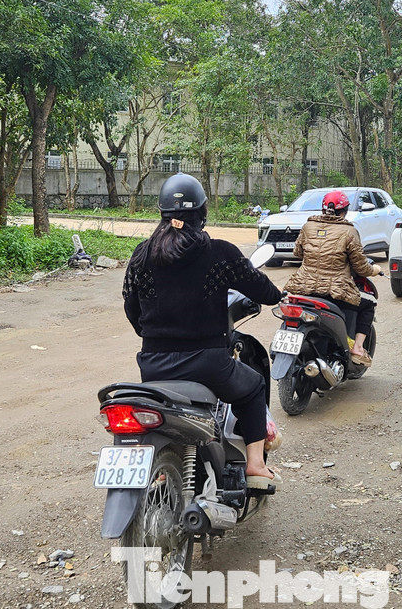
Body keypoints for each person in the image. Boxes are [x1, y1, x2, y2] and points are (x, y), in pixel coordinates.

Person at [122, 173, 283, 488]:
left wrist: (154, 335)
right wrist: (278, 296)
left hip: (153, 367)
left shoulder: (141, 254)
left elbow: (131, 306)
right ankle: (254, 465)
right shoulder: (219, 253)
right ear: (203, 213)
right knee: (252, 389)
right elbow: (260, 288)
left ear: (162, 212)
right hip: (209, 365)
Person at [284, 190, 382, 366]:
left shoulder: (308, 226)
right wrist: (373, 270)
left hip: (302, 288)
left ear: (323, 209)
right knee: (368, 304)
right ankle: (358, 348)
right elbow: (360, 266)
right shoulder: (349, 231)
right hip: (334, 291)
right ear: (344, 211)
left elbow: (297, 252)